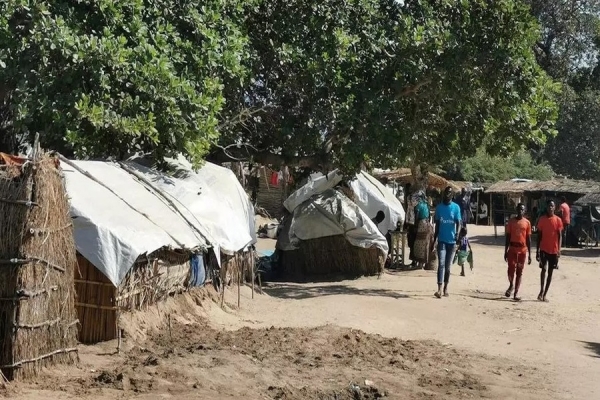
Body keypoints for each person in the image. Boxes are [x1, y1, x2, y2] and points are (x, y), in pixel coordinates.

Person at [431, 186, 462, 298]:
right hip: (442, 241)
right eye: (446, 192)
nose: (447, 194)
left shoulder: (456, 208)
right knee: (441, 264)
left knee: (448, 267)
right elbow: (437, 225)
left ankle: (446, 288)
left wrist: (457, 234)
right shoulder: (439, 208)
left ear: (452, 195)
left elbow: (459, 223)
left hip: (452, 242)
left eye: (449, 193)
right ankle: (439, 289)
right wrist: (434, 239)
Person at [536, 200, 563, 302]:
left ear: (554, 208)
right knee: (543, 269)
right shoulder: (542, 219)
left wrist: (559, 250)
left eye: (552, 206)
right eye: (549, 206)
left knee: (550, 272)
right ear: (546, 207)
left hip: (554, 250)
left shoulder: (558, 220)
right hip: (543, 249)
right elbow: (539, 236)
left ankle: (545, 294)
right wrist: (537, 251)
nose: (550, 208)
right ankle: (541, 290)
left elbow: (560, 236)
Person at [504, 203, 532, 301]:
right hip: (512, 248)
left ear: (524, 211)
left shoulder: (527, 223)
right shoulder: (511, 222)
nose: (520, 210)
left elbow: (528, 239)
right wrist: (505, 250)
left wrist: (530, 255)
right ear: (516, 210)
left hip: (522, 250)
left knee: (519, 272)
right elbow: (507, 237)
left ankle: (516, 293)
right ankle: (511, 284)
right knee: (511, 268)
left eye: (522, 209)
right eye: (519, 209)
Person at [412, 190, 432, 269]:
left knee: (418, 243)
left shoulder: (418, 205)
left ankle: (418, 263)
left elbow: (416, 216)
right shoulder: (427, 204)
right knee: (425, 244)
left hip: (421, 224)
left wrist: (415, 226)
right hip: (427, 224)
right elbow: (429, 216)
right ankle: (422, 263)